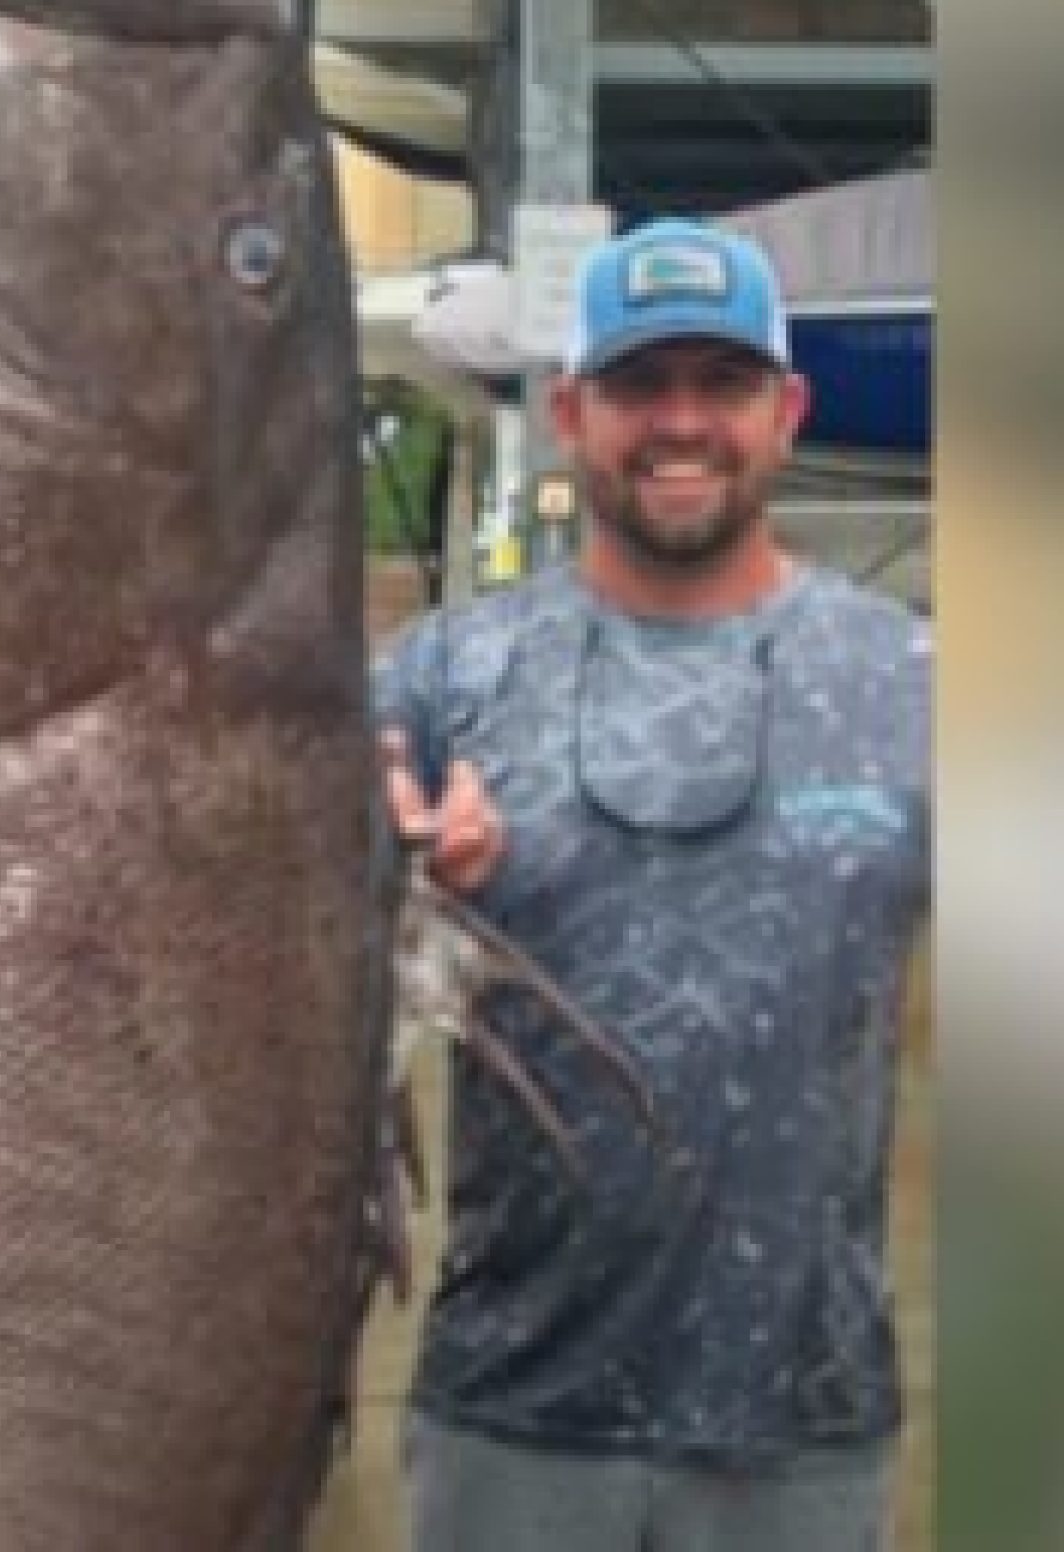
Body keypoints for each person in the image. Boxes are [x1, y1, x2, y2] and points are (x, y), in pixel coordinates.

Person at [371, 216, 931, 1552]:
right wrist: (378, 870)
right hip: (511, 1418)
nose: (681, 422)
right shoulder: (445, 678)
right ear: (571, 412)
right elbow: (258, 913)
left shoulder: (913, 679)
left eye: (721, 384)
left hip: (801, 1421)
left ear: (785, 412)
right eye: (638, 385)